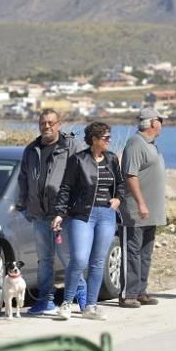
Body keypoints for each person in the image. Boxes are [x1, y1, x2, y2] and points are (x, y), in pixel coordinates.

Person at [51, 122, 125, 321]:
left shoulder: (111, 160)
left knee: (98, 261)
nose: (109, 141)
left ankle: (90, 306)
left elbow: (120, 185)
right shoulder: (78, 160)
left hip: (107, 215)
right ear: (94, 139)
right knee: (79, 259)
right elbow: (65, 188)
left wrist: (118, 199)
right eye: (106, 138)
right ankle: (66, 303)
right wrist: (60, 213)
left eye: (109, 137)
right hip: (82, 215)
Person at [16, 108, 86, 315]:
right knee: (44, 259)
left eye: (50, 123)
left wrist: (72, 208)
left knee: (67, 258)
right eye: (43, 123)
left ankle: (82, 297)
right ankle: (46, 300)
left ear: (59, 124)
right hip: (39, 214)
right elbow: (23, 179)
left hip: (63, 214)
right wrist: (24, 206)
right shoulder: (31, 150)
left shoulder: (70, 145)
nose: (46, 126)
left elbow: (82, 177)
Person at [120, 107, 167, 309]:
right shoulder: (136, 143)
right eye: (160, 120)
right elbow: (131, 175)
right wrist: (140, 203)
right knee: (133, 251)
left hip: (152, 212)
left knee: (145, 252)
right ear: (153, 123)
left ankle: (140, 291)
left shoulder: (151, 145)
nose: (162, 125)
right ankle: (128, 294)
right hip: (137, 210)